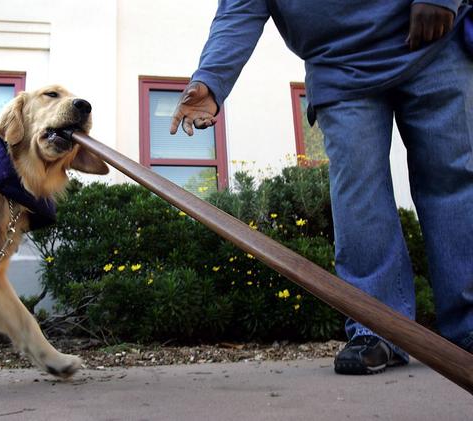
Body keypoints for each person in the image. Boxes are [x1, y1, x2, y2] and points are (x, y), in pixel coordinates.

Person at [170, 0, 473, 375]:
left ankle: (469, 324)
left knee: (453, 180)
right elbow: (239, 10)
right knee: (357, 195)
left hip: (433, 40)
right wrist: (211, 80)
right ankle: (376, 327)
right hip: (339, 66)